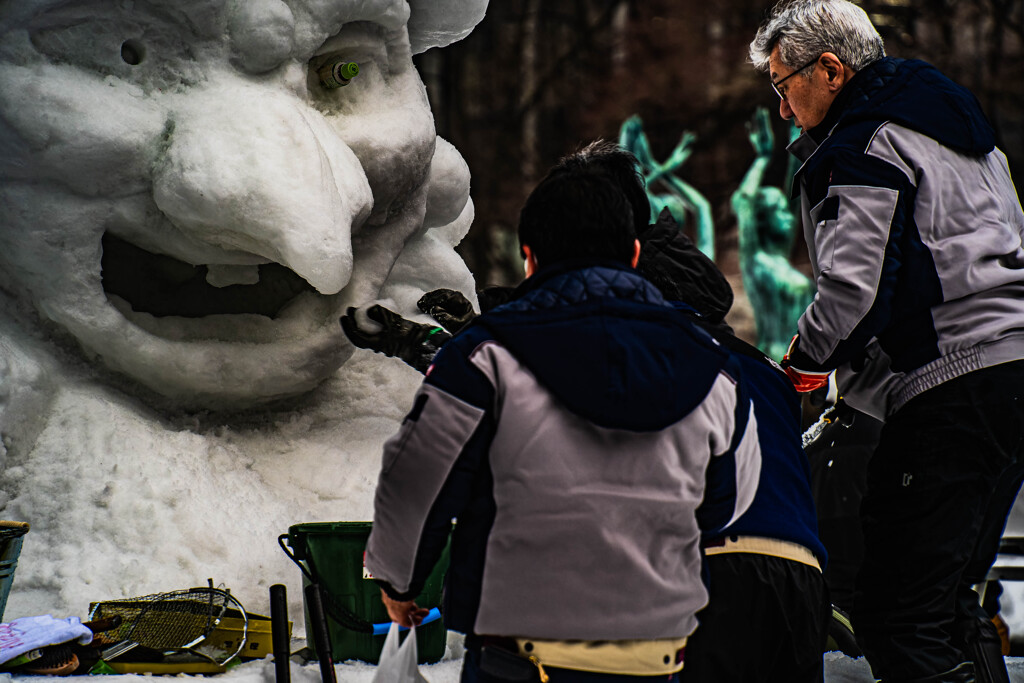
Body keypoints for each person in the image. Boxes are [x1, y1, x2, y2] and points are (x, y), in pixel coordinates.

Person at [361, 146, 762, 681]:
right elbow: (731, 503)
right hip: (655, 656)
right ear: (636, 254)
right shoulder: (715, 369)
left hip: (520, 652)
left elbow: (416, 482)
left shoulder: (483, 357)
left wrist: (398, 583)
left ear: (529, 258)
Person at [750, 1, 1024, 681]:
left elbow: (855, 293)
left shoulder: (862, 143)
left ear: (830, 70)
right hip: (1011, 370)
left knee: (897, 613)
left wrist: (798, 369)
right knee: (945, 601)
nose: (782, 108)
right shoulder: (956, 126)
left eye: (784, 85)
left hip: (952, 385)